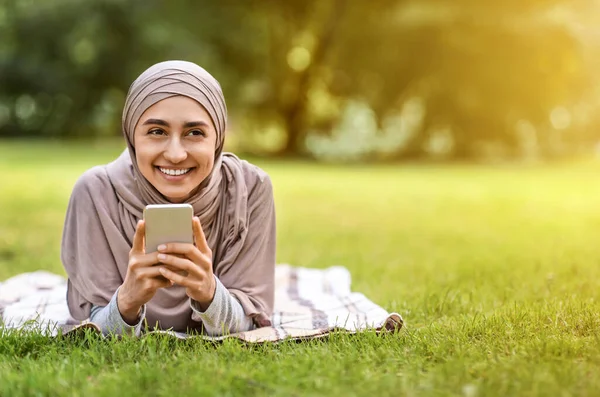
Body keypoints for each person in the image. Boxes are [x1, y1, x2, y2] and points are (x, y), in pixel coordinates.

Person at [60, 60, 276, 336]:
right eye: (156, 132)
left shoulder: (248, 190)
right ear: (132, 137)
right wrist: (128, 299)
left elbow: (251, 323)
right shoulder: (96, 193)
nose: (175, 154)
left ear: (218, 138)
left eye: (195, 133)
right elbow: (92, 329)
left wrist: (209, 292)